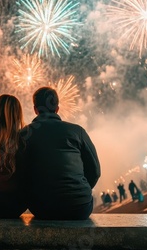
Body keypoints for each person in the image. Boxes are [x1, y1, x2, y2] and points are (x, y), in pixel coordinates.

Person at [19, 87, 101, 220]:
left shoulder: (24, 134)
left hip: (41, 207)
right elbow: (95, 171)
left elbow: (20, 173)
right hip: (80, 207)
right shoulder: (78, 131)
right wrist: (78, 190)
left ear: (35, 109)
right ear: (57, 108)